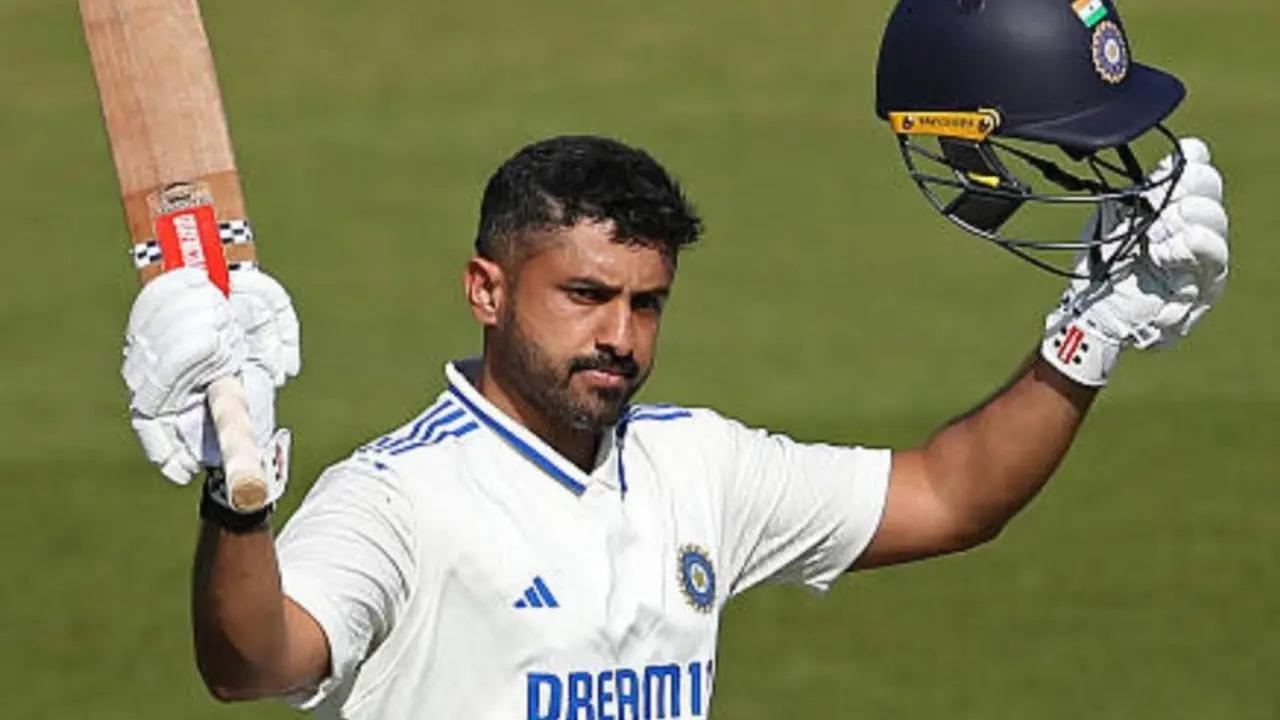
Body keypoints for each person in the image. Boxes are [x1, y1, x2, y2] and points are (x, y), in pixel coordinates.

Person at [120, 3, 1230, 719]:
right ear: (486, 289)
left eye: (646, 304)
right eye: (587, 296)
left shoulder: (695, 467)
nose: (619, 336)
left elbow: (950, 498)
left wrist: (1089, 334)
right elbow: (254, 662)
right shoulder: (396, 497)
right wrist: (237, 501)